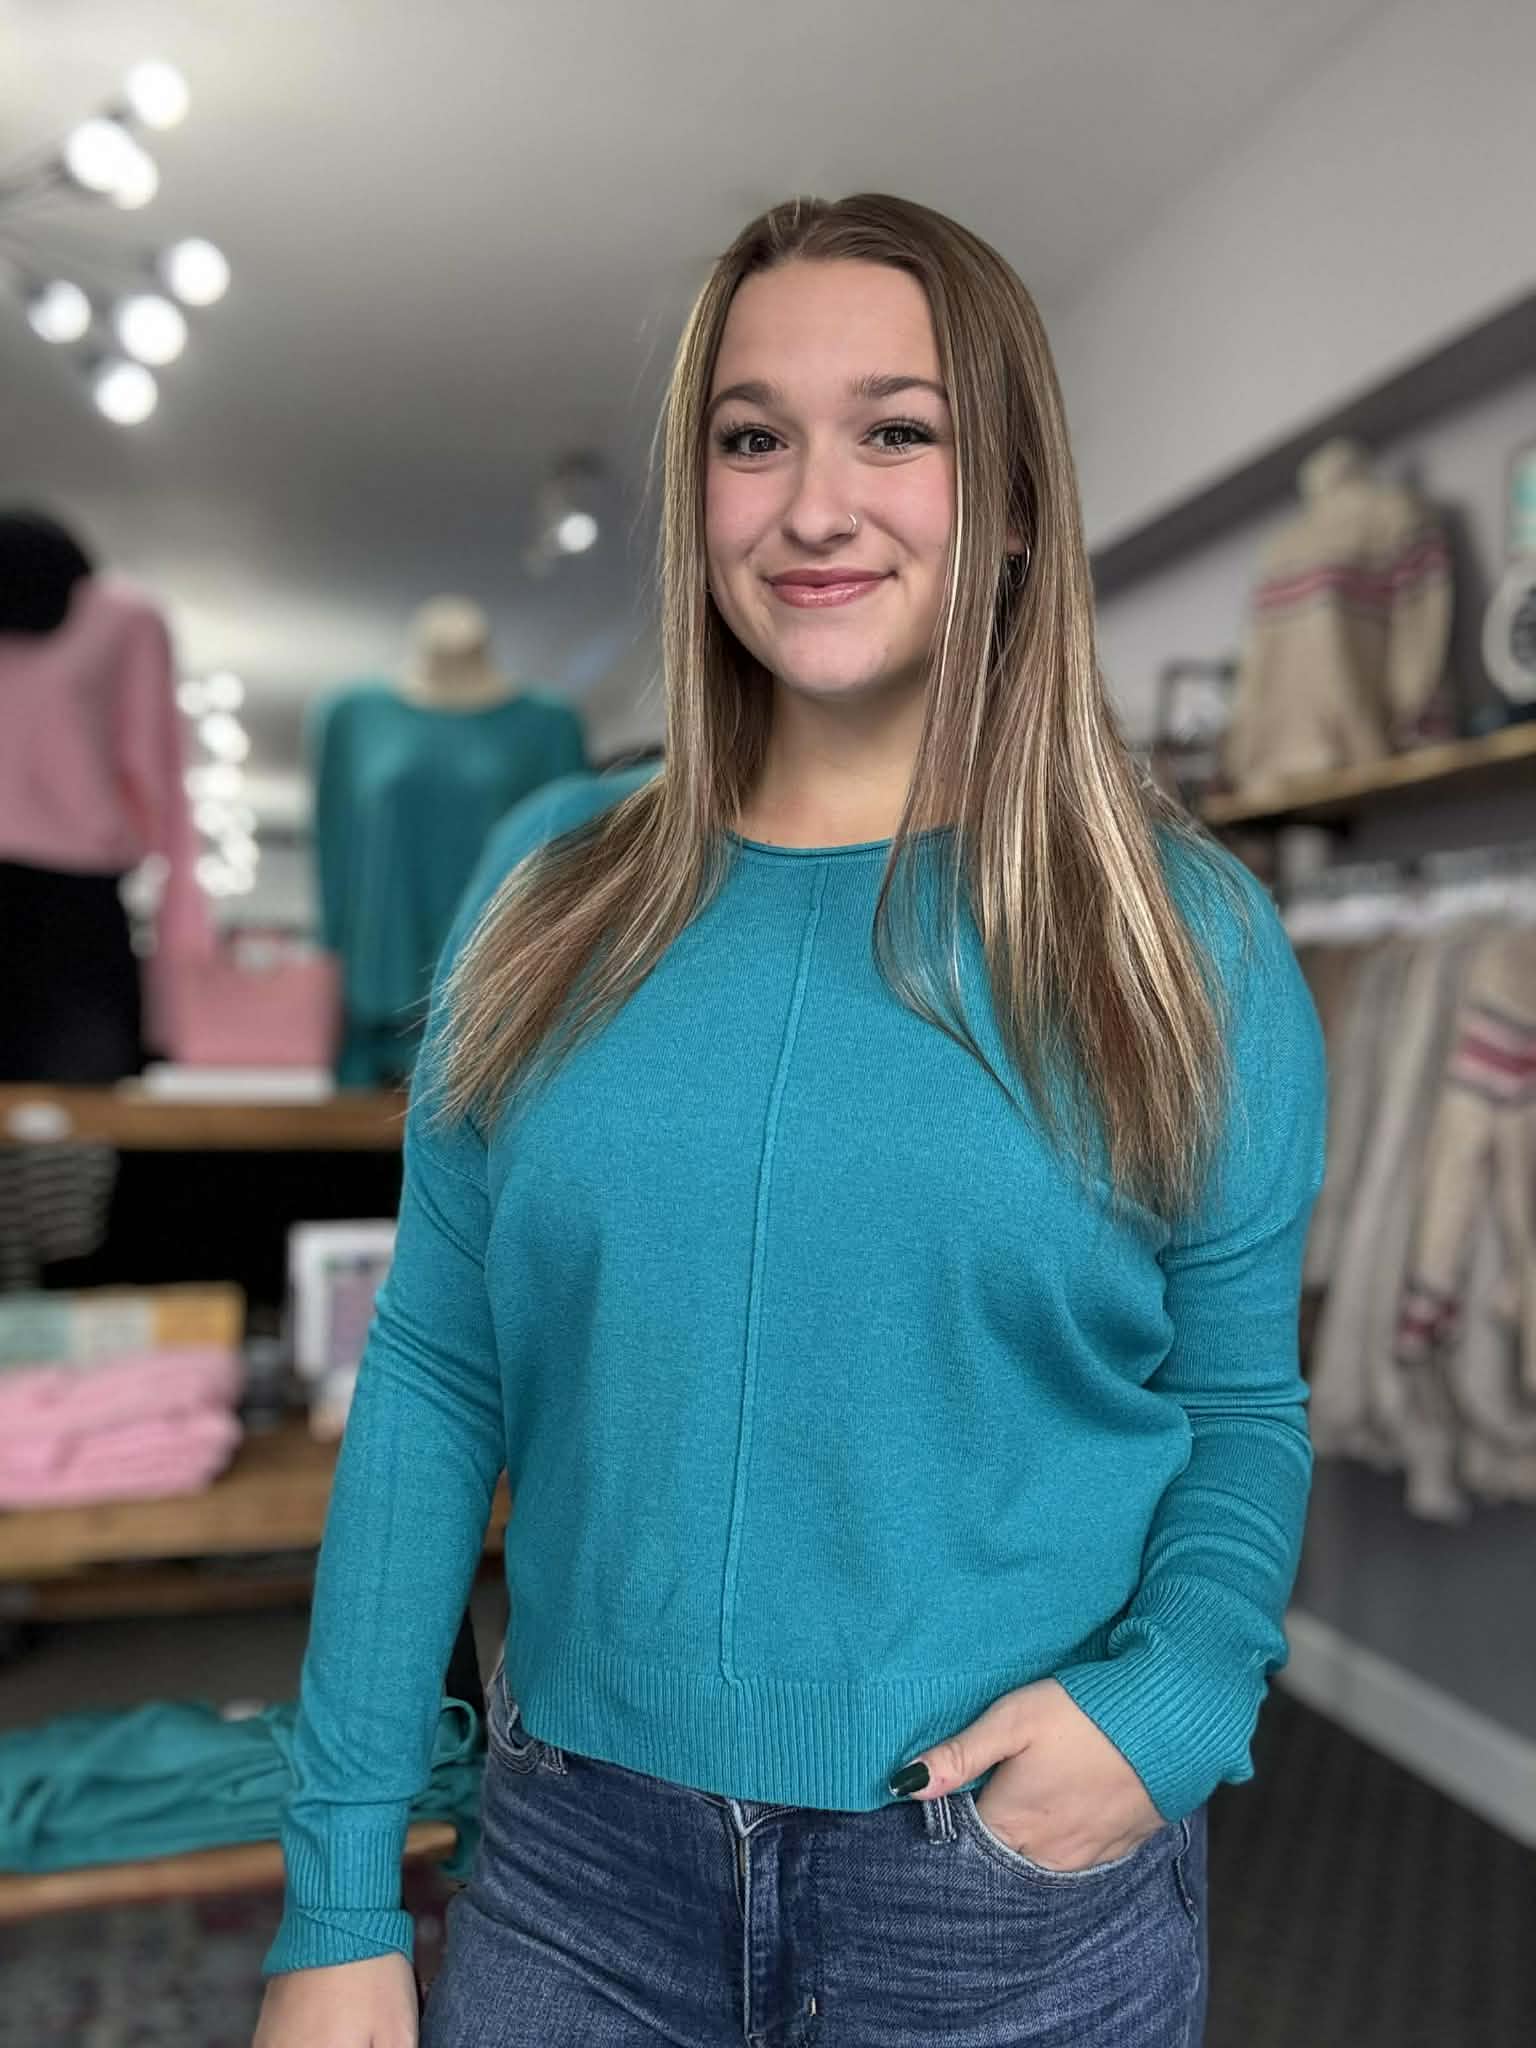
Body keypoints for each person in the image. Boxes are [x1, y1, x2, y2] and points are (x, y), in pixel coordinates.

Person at [253, 191, 1325, 2047]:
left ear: (1011, 501)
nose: (815, 507)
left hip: (1001, 1892)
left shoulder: (1180, 936)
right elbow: (431, 1378)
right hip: (575, 1880)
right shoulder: (548, 887)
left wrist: (1173, 1704)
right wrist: (339, 1891)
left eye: (896, 432)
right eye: (753, 439)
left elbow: (1239, 1406)